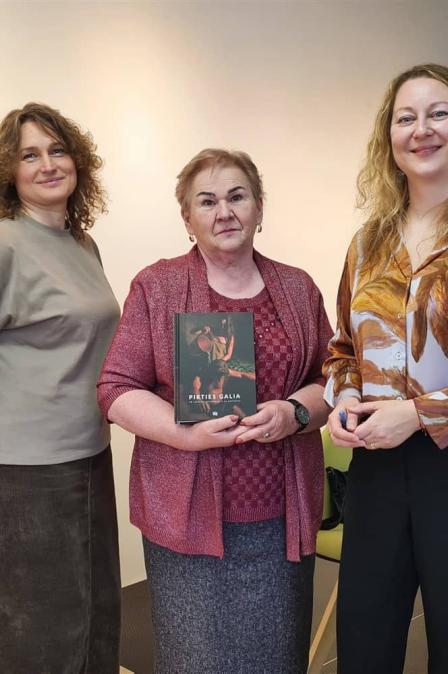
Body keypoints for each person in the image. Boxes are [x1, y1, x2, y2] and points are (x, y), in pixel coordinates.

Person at [98, 148, 332, 674]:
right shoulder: (157, 287)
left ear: (259, 207)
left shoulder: (298, 287)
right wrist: (186, 435)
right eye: (207, 201)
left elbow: (332, 378)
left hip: (279, 523)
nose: (224, 212)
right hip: (187, 525)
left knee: (278, 658)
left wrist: (294, 413)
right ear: (187, 218)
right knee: (195, 659)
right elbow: (116, 388)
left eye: (236, 196)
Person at [324, 63, 448, 674]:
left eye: (439, 113)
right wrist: (344, 398)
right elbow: (343, 347)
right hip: (375, 466)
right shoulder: (367, 243)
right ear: (389, 137)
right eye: (406, 118)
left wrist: (419, 414)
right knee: (365, 641)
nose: (422, 129)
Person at [0, 103, 121, 673]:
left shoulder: (82, 243)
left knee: (97, 609)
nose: (47, 164)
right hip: (26, 468)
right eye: (29, 155)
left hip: (89, 450)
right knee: (42, 629)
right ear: (9, 171)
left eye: (56, 150)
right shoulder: (6, 243)